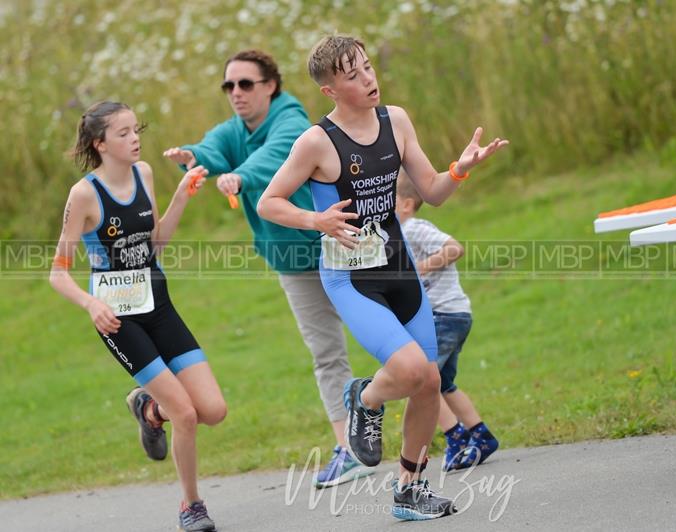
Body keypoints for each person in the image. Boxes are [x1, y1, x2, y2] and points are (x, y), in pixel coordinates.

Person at [257, 34, 508, 521]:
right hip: (350, 278)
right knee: (413, 370)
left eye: (368, 68)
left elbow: (432, 192)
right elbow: (270, 201)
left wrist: (460, 169)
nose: (368, 79)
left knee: (429, 381)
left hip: (398, 267)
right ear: (331, 90)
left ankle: (409, 491)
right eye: (353, 76)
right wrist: (317, 220)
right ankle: (365, 397)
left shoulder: (397, 121)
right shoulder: (317, 141)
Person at [163, 49, 373, 488]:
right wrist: (194, 154)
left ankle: (453, 424)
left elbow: (276, 156)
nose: (235, 93)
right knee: (326, 354)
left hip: (339, 246)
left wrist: (239, 177)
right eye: (229, 86)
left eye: (245, 84)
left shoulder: (291, 119)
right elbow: (214, 146)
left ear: (270, 86)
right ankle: (348, 450)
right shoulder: (236, 130)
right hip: (291, 261)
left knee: (389, 337)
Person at [50, 101, 226, 532]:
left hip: (158, 304)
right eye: (124, 133)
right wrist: (92, 304)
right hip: (118, 319)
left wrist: (182, 195)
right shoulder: (85, 194)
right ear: (100, 143)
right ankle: (191, 505)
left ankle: (149, 410)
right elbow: (58, 272)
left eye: (137, 130)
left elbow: (155, 244)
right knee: (185, 414)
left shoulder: (144, 173)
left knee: (213, 409)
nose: (135, 139)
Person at [395, 172, 499, 472]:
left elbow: (454, 248)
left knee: (422, 384)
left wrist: (422, 267)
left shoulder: (414, 228)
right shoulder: (400, 236)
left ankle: (457, 440)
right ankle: (481, 436)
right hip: (451, 316)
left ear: (405, 205)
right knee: (445, 384)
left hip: (445, 316)